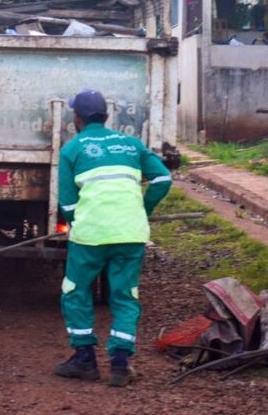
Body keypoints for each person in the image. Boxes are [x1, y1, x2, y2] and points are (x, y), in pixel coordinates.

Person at [54, 89, 173, 387]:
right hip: (130, 233)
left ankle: (84, 360)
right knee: (124, 295)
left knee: (76, 291)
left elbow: (67, 205)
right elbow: (163, 178)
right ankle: (120, 364)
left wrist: (78, 224)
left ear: (76, 118)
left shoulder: (72, 149)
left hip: (90, 236)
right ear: (107, 116)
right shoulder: (131, 144)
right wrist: (141, 210)